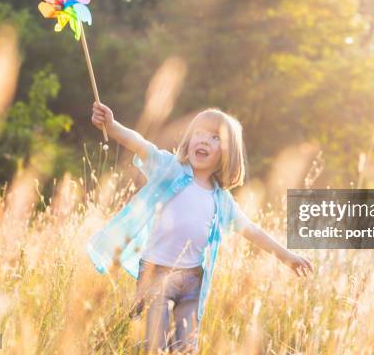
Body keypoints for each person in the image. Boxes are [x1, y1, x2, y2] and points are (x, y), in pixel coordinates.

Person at [87, 102, 314, 353]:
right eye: (199, 133)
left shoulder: (221, 199)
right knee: (155, 344)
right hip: (155, 275)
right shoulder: (171, 169)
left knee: (185, 347)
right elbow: (141, 146)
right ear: (189, 139)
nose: (204, 140)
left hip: (192, 281)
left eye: (215, 137)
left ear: (227, 153)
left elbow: (251, 230)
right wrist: (112, 125)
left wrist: (287, 256)